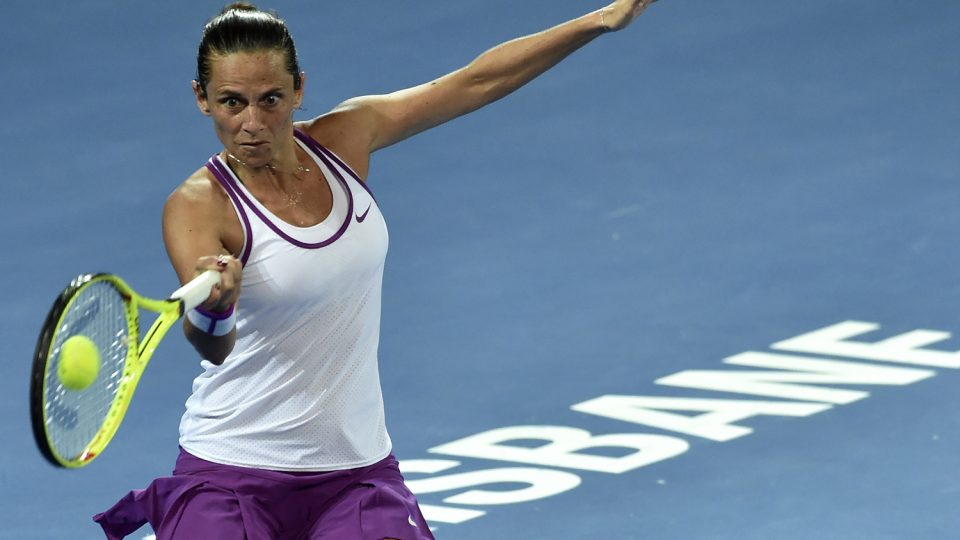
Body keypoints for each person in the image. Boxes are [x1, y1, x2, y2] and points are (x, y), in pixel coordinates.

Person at [93, 1, 658, 538]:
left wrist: (601, 20)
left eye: (270, 99)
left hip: (355, 474)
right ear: (202, 99)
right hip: (230, 472)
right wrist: (216, 310)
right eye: (231, 102)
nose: (252, 123)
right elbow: (212, 346)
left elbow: (473, 83)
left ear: (299, 89)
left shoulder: (346, 138)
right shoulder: (197, 206)